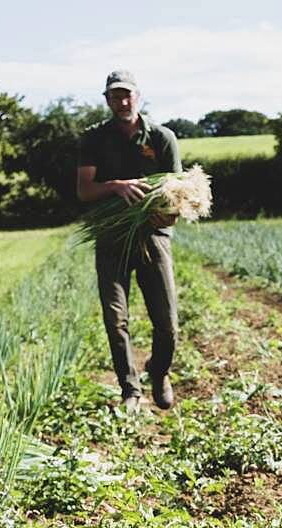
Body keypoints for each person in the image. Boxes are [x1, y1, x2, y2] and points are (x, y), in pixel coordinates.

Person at [77, 70, 181, 412]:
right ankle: (130, 389)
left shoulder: (162, 138)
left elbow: (178, 196)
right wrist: (116, 186)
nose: (122, 101)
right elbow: (85, 190)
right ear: (107, 100)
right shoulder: (94, 139)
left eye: (127, 95)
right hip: (111, 238)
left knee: (167, 324)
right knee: (115, 318)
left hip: (152, 238)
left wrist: (165, 214)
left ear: (138, 96)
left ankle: (159, 372)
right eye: (115, 96)